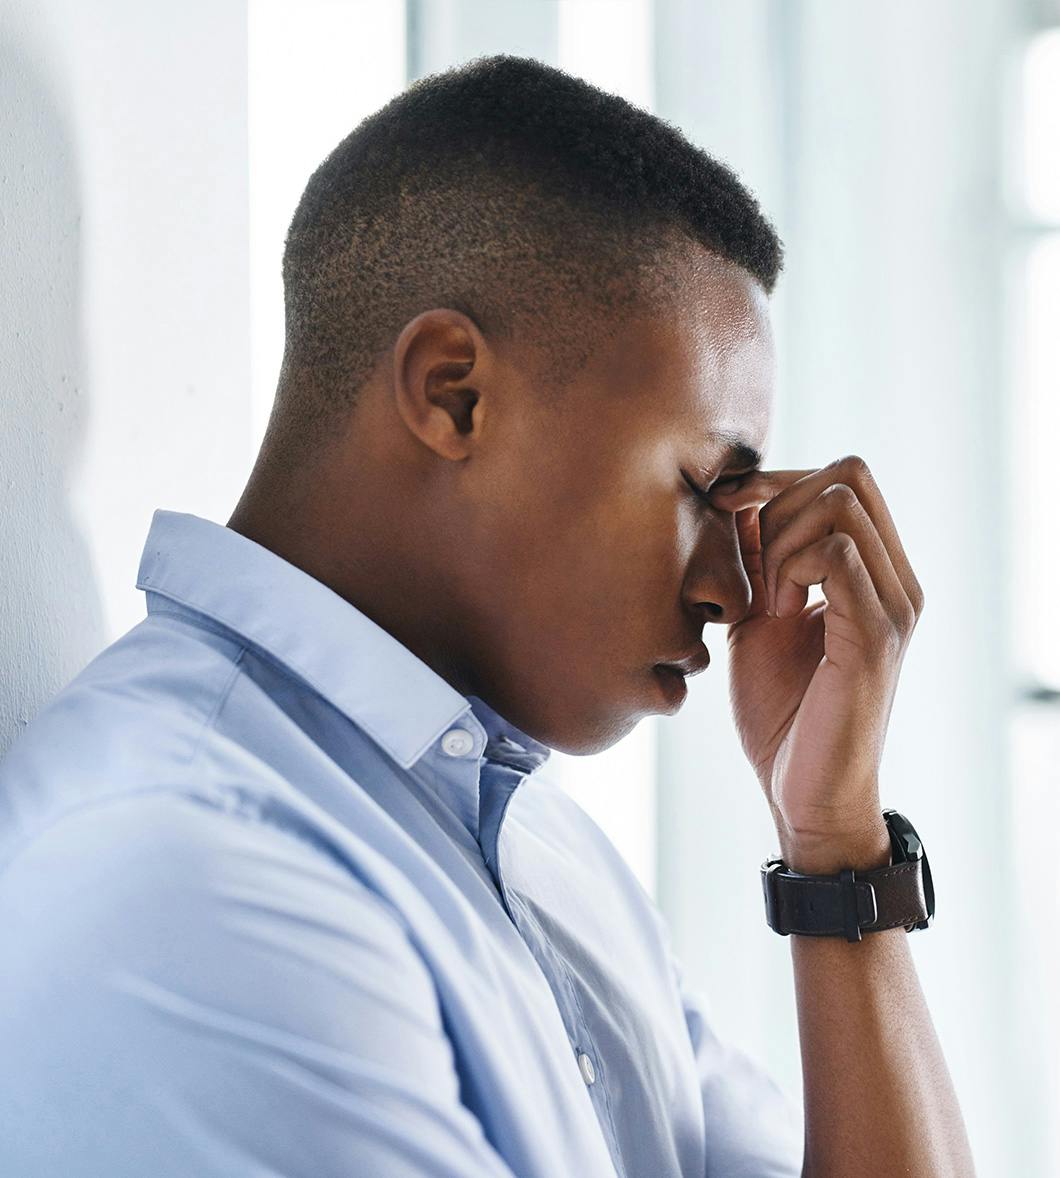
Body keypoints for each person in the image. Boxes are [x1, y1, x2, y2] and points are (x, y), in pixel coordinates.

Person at [0, 53, 974, 1177]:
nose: (739, 588)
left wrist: (835, 843)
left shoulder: (541, 856)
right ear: (452, 392)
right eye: (706, 487)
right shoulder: (183, 872)